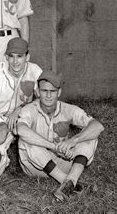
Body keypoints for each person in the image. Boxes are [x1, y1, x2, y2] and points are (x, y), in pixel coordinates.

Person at [17, 71, 104, 201]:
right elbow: (21, 130)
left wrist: (73, 140)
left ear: (59, 92)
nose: (48, 95)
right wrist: (53, 147)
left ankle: (71, 180)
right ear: (37, 91)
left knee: (90, 137)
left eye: (52, 91)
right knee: (26, 141)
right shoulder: (29, 109)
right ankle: (66, 181)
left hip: (63, 161)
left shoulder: (68, 108)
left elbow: (98, 126)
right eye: (44, 90)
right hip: (36, 165)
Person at [0, 37, 42, 134]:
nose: (15, 61)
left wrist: (20, 109)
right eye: (11, 56)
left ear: (27, 57)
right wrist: (0, 121)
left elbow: (43, 98)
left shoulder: (35, 70)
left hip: (22, 117)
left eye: (19, 56)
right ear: (6, 57)